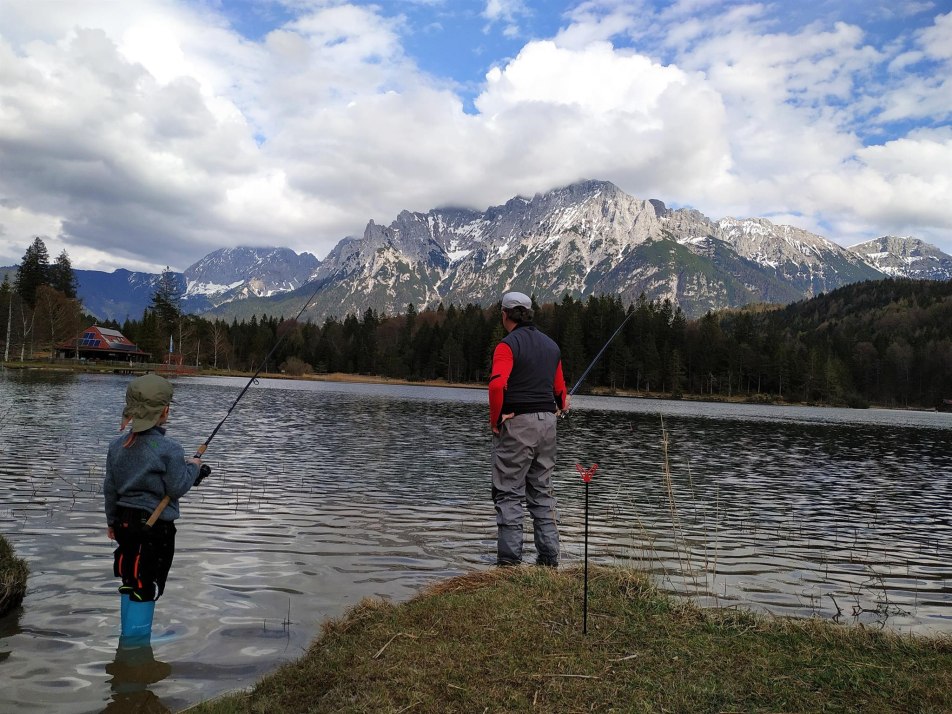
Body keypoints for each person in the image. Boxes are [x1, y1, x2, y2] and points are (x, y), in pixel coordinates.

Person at [104, 374, 203, 635]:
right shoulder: (169, 448)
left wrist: (111, 522)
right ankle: (136, 646)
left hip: (124, 524)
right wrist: (194, 468)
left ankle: (128, 638)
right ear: (165, 410)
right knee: (148, 584)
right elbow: (177, 487)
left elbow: (110, 488)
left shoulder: (116, 446)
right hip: (154, 529)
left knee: (130, 577)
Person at [488, 291, 570, 567]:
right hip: (548, 425)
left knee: (509, 493)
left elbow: (498, 384)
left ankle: (509, 563)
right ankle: (549, 560)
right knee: (542, 491)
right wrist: (559, 404)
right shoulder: (551, 346)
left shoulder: (507, 345)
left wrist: (496, 419)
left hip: (518, 425)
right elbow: (561, 391)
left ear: (504, 315)